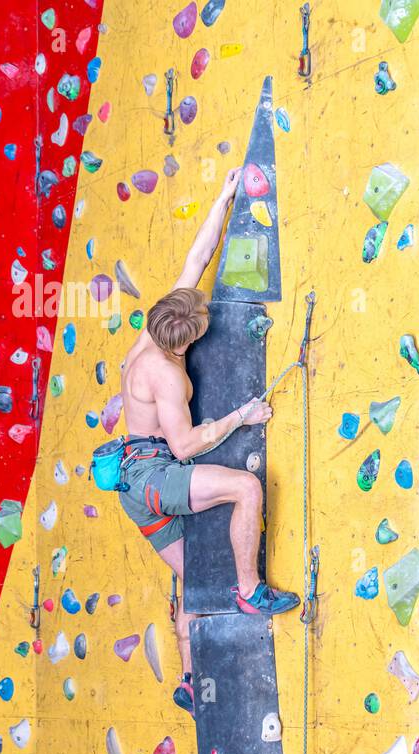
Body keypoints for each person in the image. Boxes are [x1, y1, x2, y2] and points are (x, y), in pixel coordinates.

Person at [116, 167, 299, 716]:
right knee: (245, 488)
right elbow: (188, 444)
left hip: (131, 482)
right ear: (186, 339)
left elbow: (194, 263)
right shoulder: (166, 377)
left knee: (194, 580)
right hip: (153, 477)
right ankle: (250, 590)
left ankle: (192, 683)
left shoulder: (152, 333)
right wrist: (243, 415)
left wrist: (223, 198)